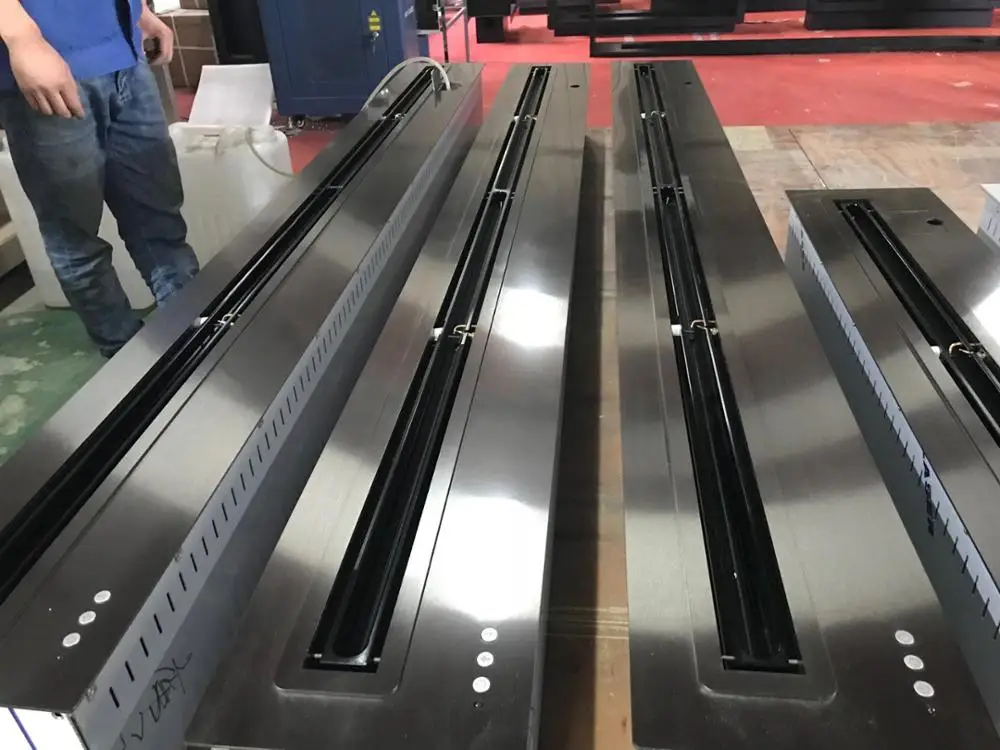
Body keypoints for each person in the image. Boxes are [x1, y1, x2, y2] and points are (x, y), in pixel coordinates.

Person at [0, 0, 199, 358]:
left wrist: (137, 11)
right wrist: (22, 37)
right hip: (50, 60)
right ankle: (125, 352)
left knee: (160, 220)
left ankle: (195, 340)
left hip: (122, 49)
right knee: (75, 236)